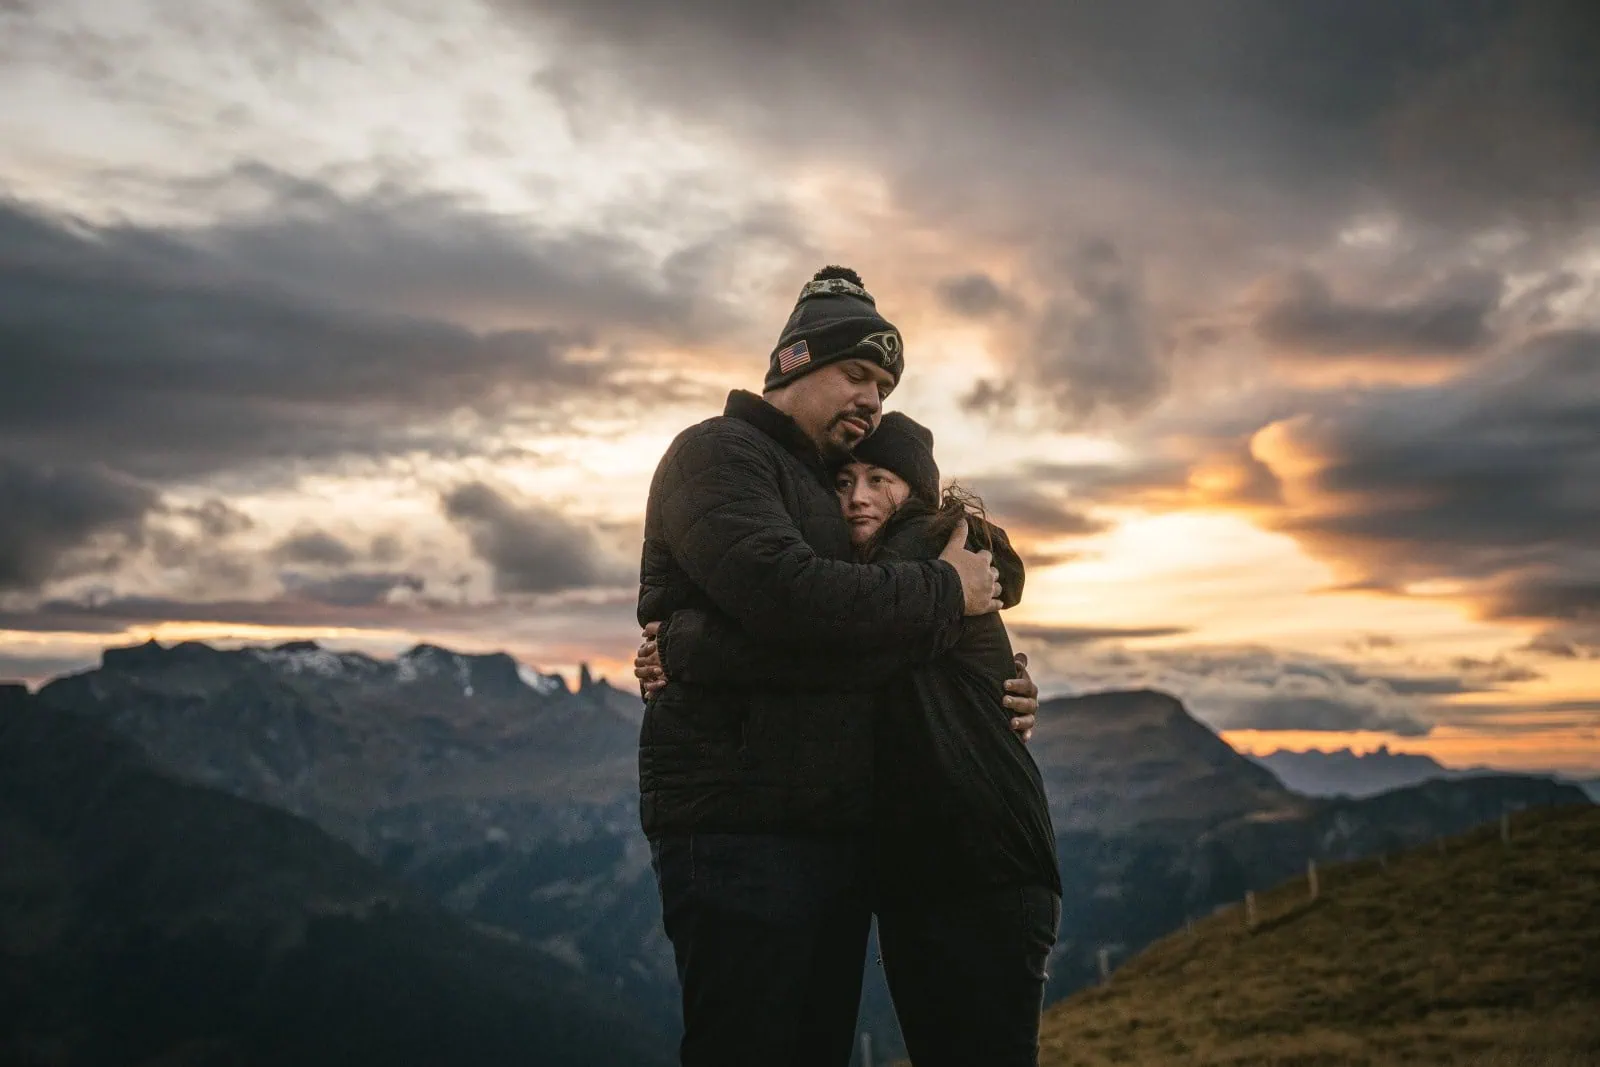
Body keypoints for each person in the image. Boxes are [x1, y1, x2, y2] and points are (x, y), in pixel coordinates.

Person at [636, 266, 1040, 1067]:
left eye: (884, 386)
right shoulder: (715, 455)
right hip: (739, 827)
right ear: (793, 363)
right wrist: (943, 595)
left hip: (836, 836)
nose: (873, 399)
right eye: (857, 373)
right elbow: (795, 601)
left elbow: (867, 619)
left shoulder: (822, 487)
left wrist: (992, 681)